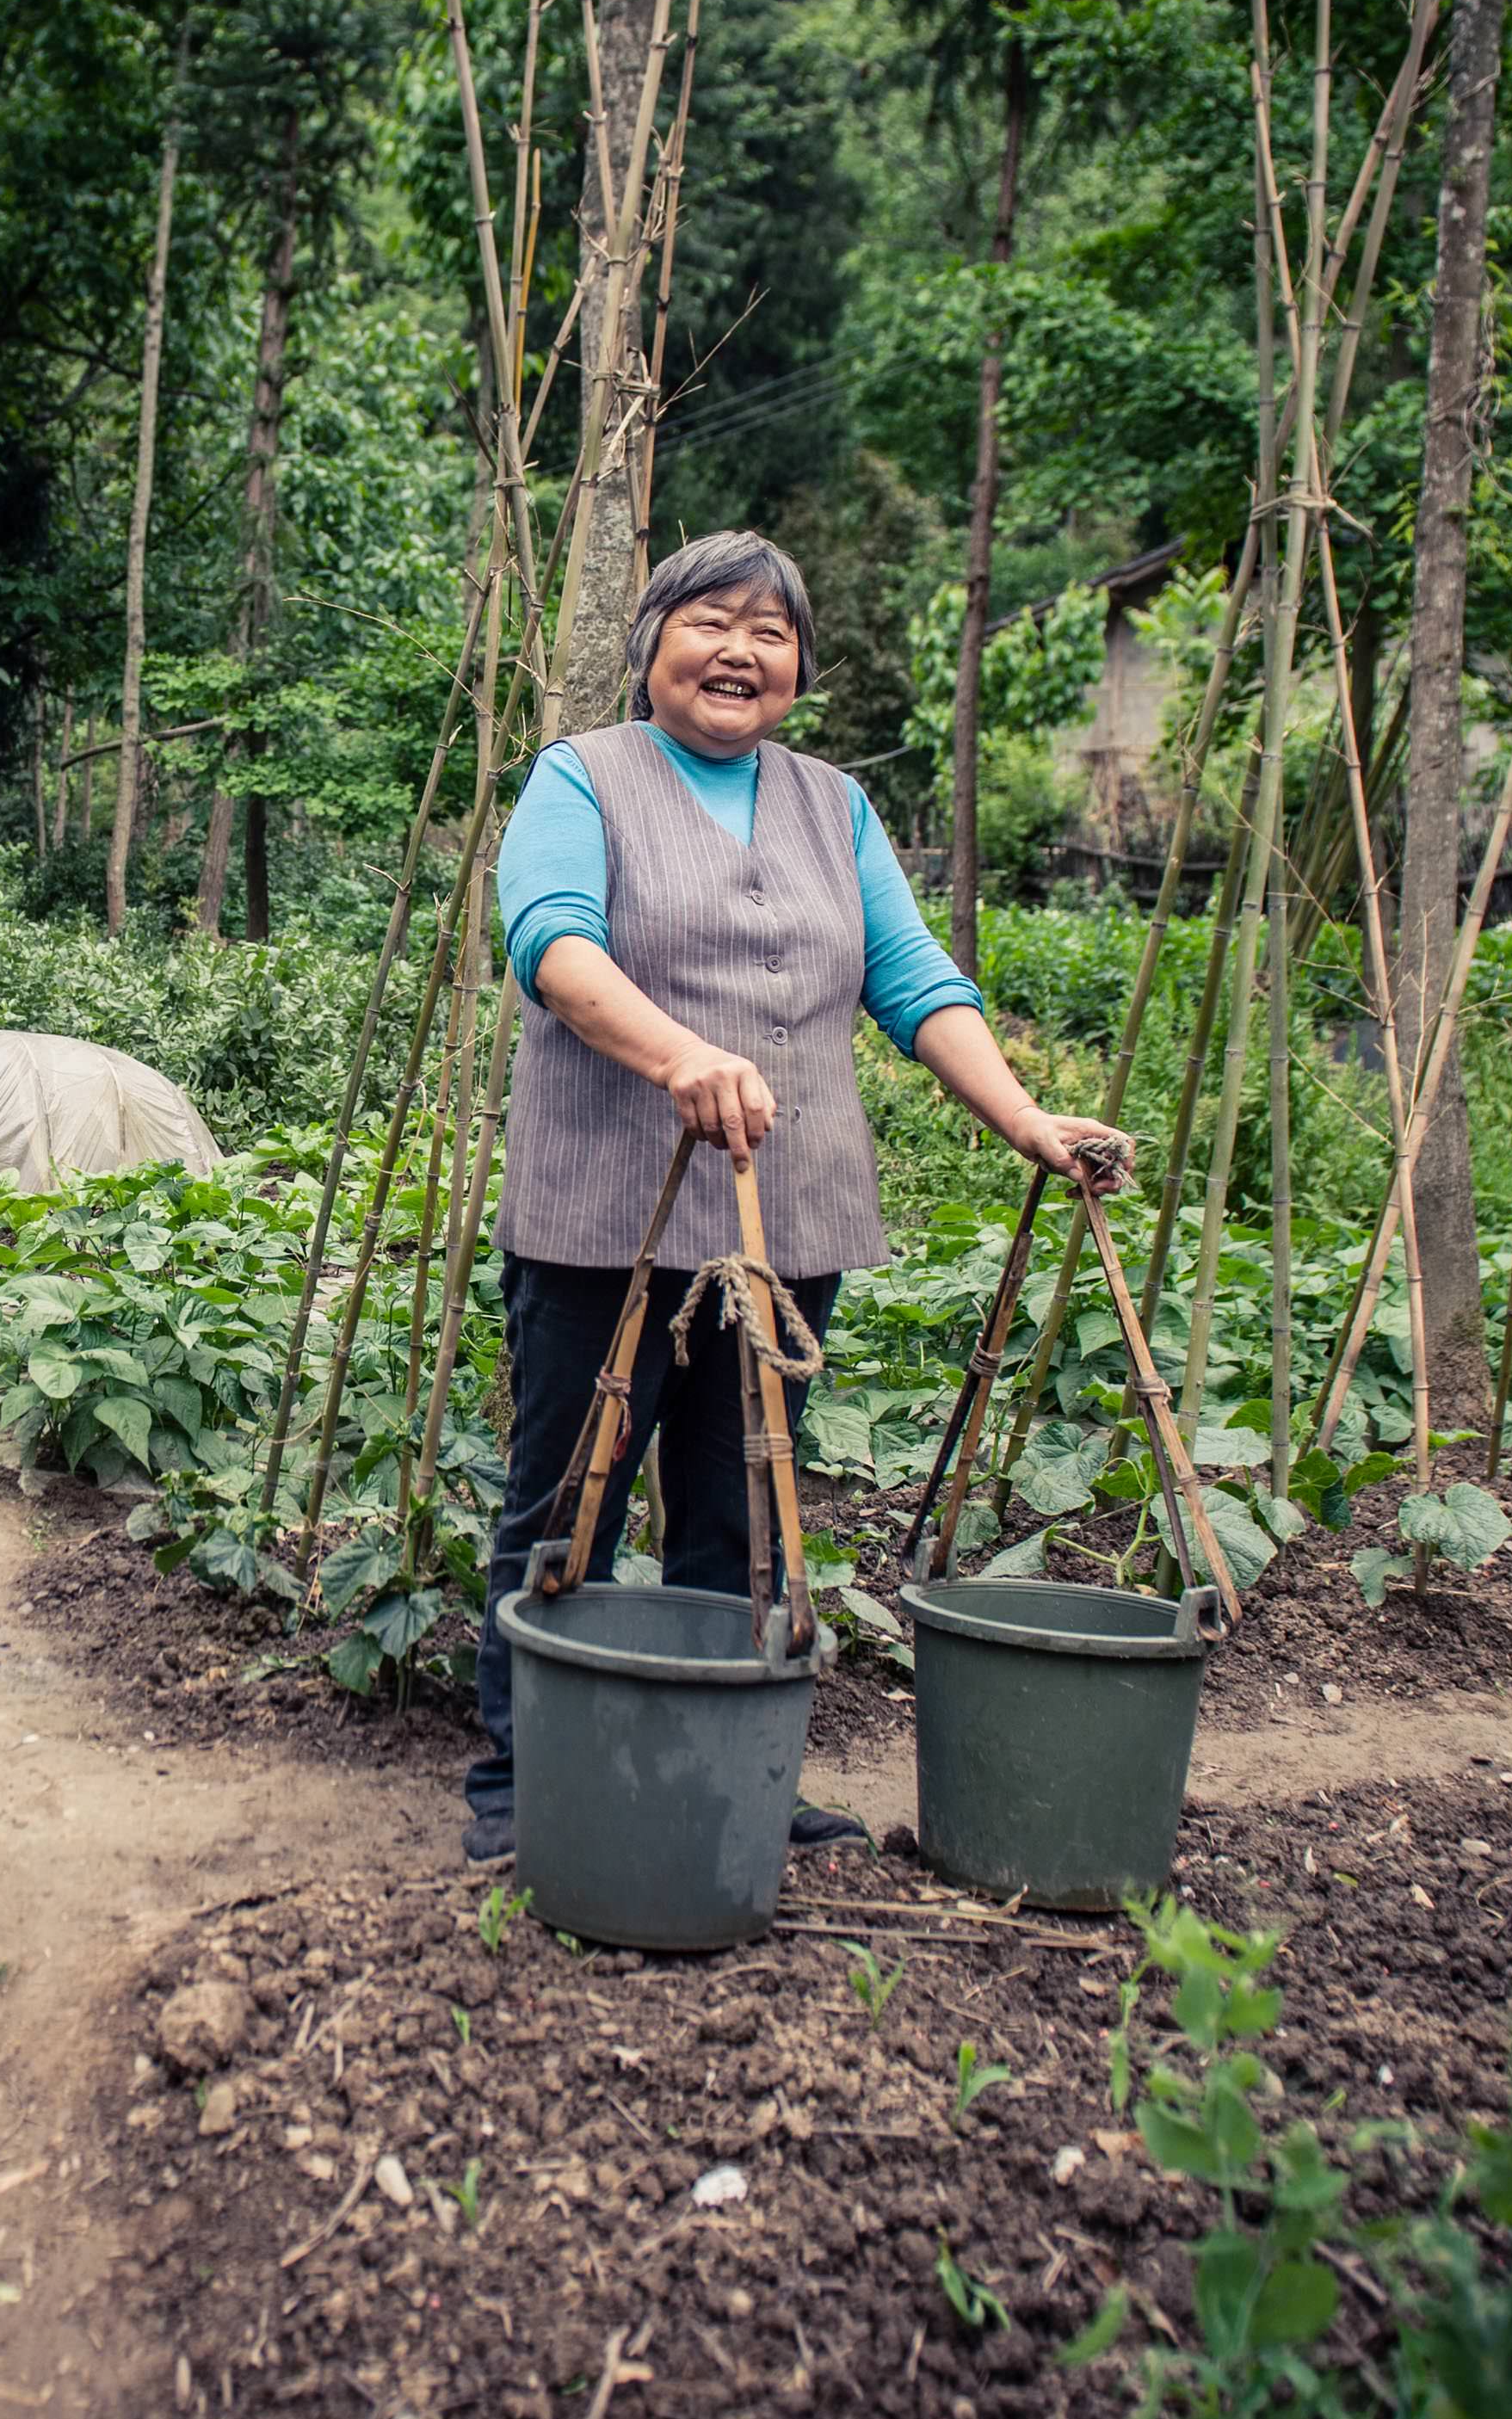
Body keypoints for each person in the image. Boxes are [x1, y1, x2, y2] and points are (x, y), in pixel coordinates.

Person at [465, 528, 1132, 1867]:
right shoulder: (578, 777)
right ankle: (526, 1780)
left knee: (745, 1505)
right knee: (567, 1498)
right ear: (651, 642)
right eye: (711, 620)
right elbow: (552, 946)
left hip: (785, 1216)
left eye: (771, 633)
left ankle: (724, 1768)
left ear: (798, 671)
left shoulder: (835, 805)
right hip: (610, 1207)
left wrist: (1027, 1121)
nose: (740, 651)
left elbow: (915, 981)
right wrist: (683, 1056)